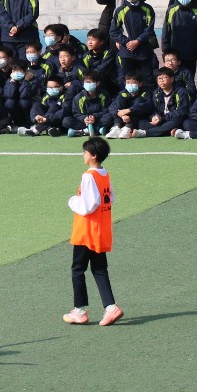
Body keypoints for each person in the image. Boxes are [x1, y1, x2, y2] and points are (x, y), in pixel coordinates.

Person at [64, 136, 122, 326]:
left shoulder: (88, 176)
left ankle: (79, 310)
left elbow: (89, 205)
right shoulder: (104, 174)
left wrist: (73, 201)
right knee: (99, 269)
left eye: (85, 152)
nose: (83, 154)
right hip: (101, 229)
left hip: (86, 231)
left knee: (77, 269)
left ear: (93, 155)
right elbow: (110, 198)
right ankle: (110, 307)